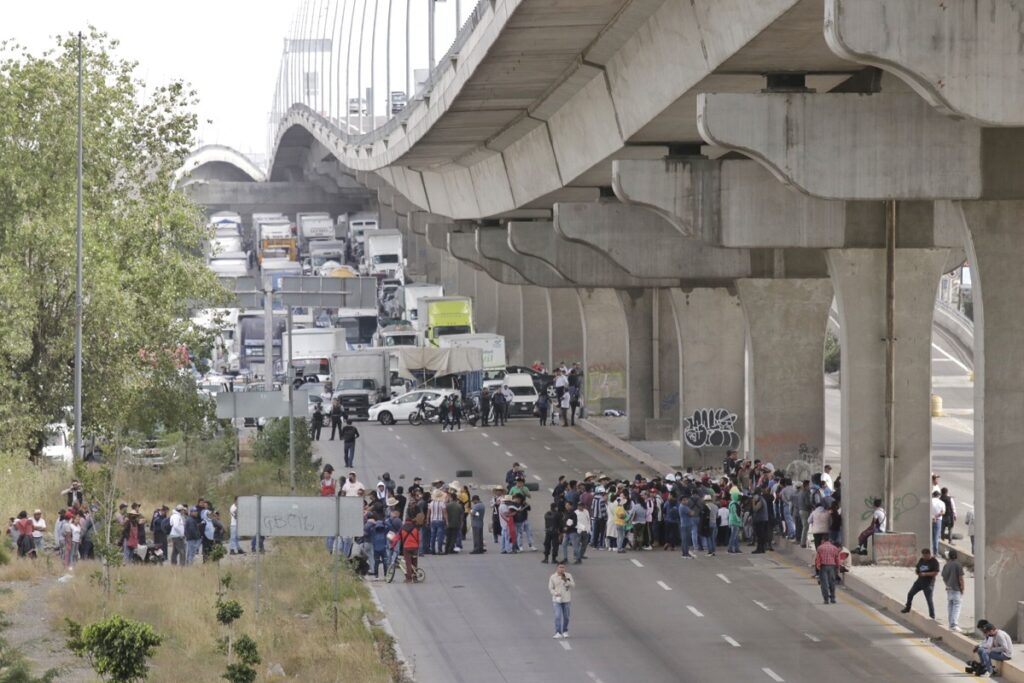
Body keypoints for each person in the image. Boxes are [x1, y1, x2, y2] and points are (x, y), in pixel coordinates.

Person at [901, 548, 941, 619]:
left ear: (929, 554)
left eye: (926, 556)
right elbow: (917, 568)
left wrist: (925, 574)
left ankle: (932, 615)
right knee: (910, 594)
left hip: (928, 584)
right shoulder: (921, 560)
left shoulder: (934, 562)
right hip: (919, 582)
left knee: (929, 600)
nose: (924, 557)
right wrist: (917, 572)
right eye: (923, 555)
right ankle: (907, 608)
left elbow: (935, 573)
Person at [548, 562, 575, 639]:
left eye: (563, 567)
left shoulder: (568, 575)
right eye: (560, 567)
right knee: (557, 616)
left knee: (566, 616)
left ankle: (565, 631)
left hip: (566, 599)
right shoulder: (553, 577)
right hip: (557, 599)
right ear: (557, 568)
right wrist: (555, 593)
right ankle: (558, 632)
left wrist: (567, 581)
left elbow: (573, 585)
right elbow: (550, 588)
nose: (562, 569)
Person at [942, 549, 965, 633]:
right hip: (956, 589)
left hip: (949, 589)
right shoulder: (958, 565)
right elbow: (960, 578)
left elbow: (944, 577)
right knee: (957, 606)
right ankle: (954, 624)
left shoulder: (946, 565)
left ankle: (950, 624)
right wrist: (962, 588)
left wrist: (947, 585)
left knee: (950, 606)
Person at [815, 536, 842, 604]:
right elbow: (837, 559)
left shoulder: (820, 548)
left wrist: (818, 567)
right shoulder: (834, 548)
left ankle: (826, 599)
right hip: (832, 567)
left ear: (823, 540)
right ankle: (832, 598)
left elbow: (818, 559)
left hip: (823, 567)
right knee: (832, 583)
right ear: (829, 540)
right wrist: (838, 567)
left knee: (824, 584)